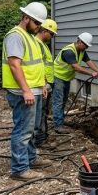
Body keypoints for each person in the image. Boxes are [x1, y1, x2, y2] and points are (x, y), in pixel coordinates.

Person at [2, 2, 51, 180]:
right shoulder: (15, 36)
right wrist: (26, 90)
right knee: (23, 130)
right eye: (37, 23)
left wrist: (42, 85)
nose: (39, 27)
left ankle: (30, 158)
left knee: (31, 129)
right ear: (26, 18)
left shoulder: (29, 36)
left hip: (34, 90)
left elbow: (35, 65)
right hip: (23, 93)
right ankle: (20, 169)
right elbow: (15, 65)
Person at [51, 32, 98, 134]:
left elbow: (89, 62)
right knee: (58, 101)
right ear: (79, 41)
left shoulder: (82, 51)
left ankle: (59, 121)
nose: (86, 48)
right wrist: (91, 73)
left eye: (87, 46)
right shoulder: (69, 51)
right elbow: (76, 67)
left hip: (66, 78)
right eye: (85, 45)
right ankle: (58, 125)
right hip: (58, 77)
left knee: (63, 101)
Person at [34, 19, 57, 147]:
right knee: (41, 112)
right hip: (43, 84)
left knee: (44, 111)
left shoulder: (42, 44)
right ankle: (40, 140)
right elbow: (38, 66)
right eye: (51, 34)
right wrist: (44, 83)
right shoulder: (37, 44)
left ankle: (43, 137)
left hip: (47, 83)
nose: (52, 37)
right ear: (45, 30)